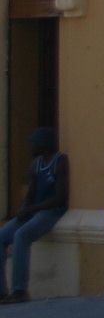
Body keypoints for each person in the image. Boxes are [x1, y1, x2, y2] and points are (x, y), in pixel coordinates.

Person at [0, 127, 68, 303]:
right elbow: (31, 192)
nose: (31, 146)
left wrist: (31, 209)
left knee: (21, 235)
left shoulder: (60, 161)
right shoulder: (36, 164)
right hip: (34, 211)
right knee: (2, 235)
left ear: (43, 145)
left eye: (34, 143)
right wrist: (24, 209)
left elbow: (60, 198)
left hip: (51, 212)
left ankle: (20, 290)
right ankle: (2, 291)